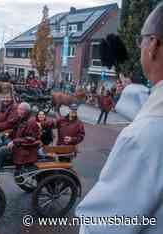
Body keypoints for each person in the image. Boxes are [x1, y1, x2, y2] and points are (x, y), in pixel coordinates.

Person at [76, 4, 163, 233]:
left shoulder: (141, 138)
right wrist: (131, 89)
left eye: (141, 39)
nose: (141, 46)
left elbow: (103, 227)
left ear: (153, 44)